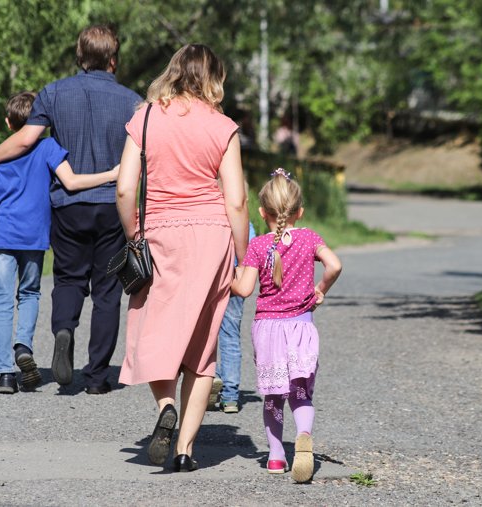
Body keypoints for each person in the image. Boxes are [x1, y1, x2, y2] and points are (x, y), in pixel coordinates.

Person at [0, 25, 141, 395]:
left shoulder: (53, 93)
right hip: (112, 204)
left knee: (68, 279)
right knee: (106, 293)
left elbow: (26, 139)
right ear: (113, 60)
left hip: (68, 207)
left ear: (79, 57)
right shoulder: (133, 102)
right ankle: (98, 377)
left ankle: (64, 329)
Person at [116, 44, 249, 472]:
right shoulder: (223, 127)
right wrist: (245, 261)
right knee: (202, 346)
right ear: (213, 78)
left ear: (173, 71)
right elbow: (238, 200)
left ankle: (165, 406)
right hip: (212, 237)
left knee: (152, 330)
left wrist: (135, 233)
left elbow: (123, 188)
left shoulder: (147, 117)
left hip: (161, 232)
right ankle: (185, 451)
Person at [231, 168, 342, 482]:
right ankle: (303, 433)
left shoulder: (258, 246)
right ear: (300, 211)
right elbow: (335, 265)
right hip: (301, 328)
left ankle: (277, 457)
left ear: (262, 211)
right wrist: (320, 289)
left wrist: (227, 277)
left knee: (273, 396)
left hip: (268, 330)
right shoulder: (309, 238)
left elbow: (244, 289)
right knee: (300, 393)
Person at [211, 217, 256, 413]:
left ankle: (211, 375)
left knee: (203, 333)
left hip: (209, 272)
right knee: (230, 335)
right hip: (237, 274)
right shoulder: (245, 223)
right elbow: (252, 251)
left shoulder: (209, 217)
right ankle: (230, 397)